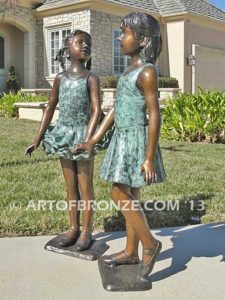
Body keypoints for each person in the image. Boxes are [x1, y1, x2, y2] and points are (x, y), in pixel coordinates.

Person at [74, 12, 166, 277]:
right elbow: (115, 110)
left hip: (135, 139)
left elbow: (154, 114)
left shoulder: (147, 72)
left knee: (118, 193)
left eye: (124, 33)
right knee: (132, 197)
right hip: (122, 137)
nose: (119, 38)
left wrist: (148, 157)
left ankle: (150, 244)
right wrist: (93, 139)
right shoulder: (129, 71)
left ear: (143, 40)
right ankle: (130, 251)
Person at [25, 30, 101, 250]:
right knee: (71, 188)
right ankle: (73, 228)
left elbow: (96, 110)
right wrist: (37, 139)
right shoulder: (60, 79)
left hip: (82, 136)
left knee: (85, 187)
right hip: (63, 135)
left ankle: (87, 231)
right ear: (68, 49)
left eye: (88, 43)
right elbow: (49, 108)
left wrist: (88, 140)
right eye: (79, 42)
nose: (85, 45)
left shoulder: (91, 78)